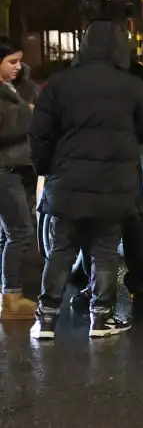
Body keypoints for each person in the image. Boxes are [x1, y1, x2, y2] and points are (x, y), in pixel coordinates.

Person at [29, 19, 143, 340]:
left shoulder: (59, 84)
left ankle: (45, 319)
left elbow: (40, 134)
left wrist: (46, 168)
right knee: (105, 251)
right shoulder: (132, 86)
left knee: (61, 250)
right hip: (113, 186)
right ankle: (101, 319)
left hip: (67, 185)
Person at [69, 49, 143, 311]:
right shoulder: (135, 75)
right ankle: (137, 285)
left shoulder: (81, 76)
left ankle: (96, 287)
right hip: (124, 162)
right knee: (132, 223)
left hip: (90, 163)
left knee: (96, 227)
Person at [0, 39, 39, 320]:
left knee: (12, 234)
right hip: (5, 172)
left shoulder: (13, 86)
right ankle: (11, 297)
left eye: (20, 61)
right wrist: (29, 112)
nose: (18, 67)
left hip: (19, 170)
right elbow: (6, 124)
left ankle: (11, 292)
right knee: (20, 232)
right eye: (12, 62)